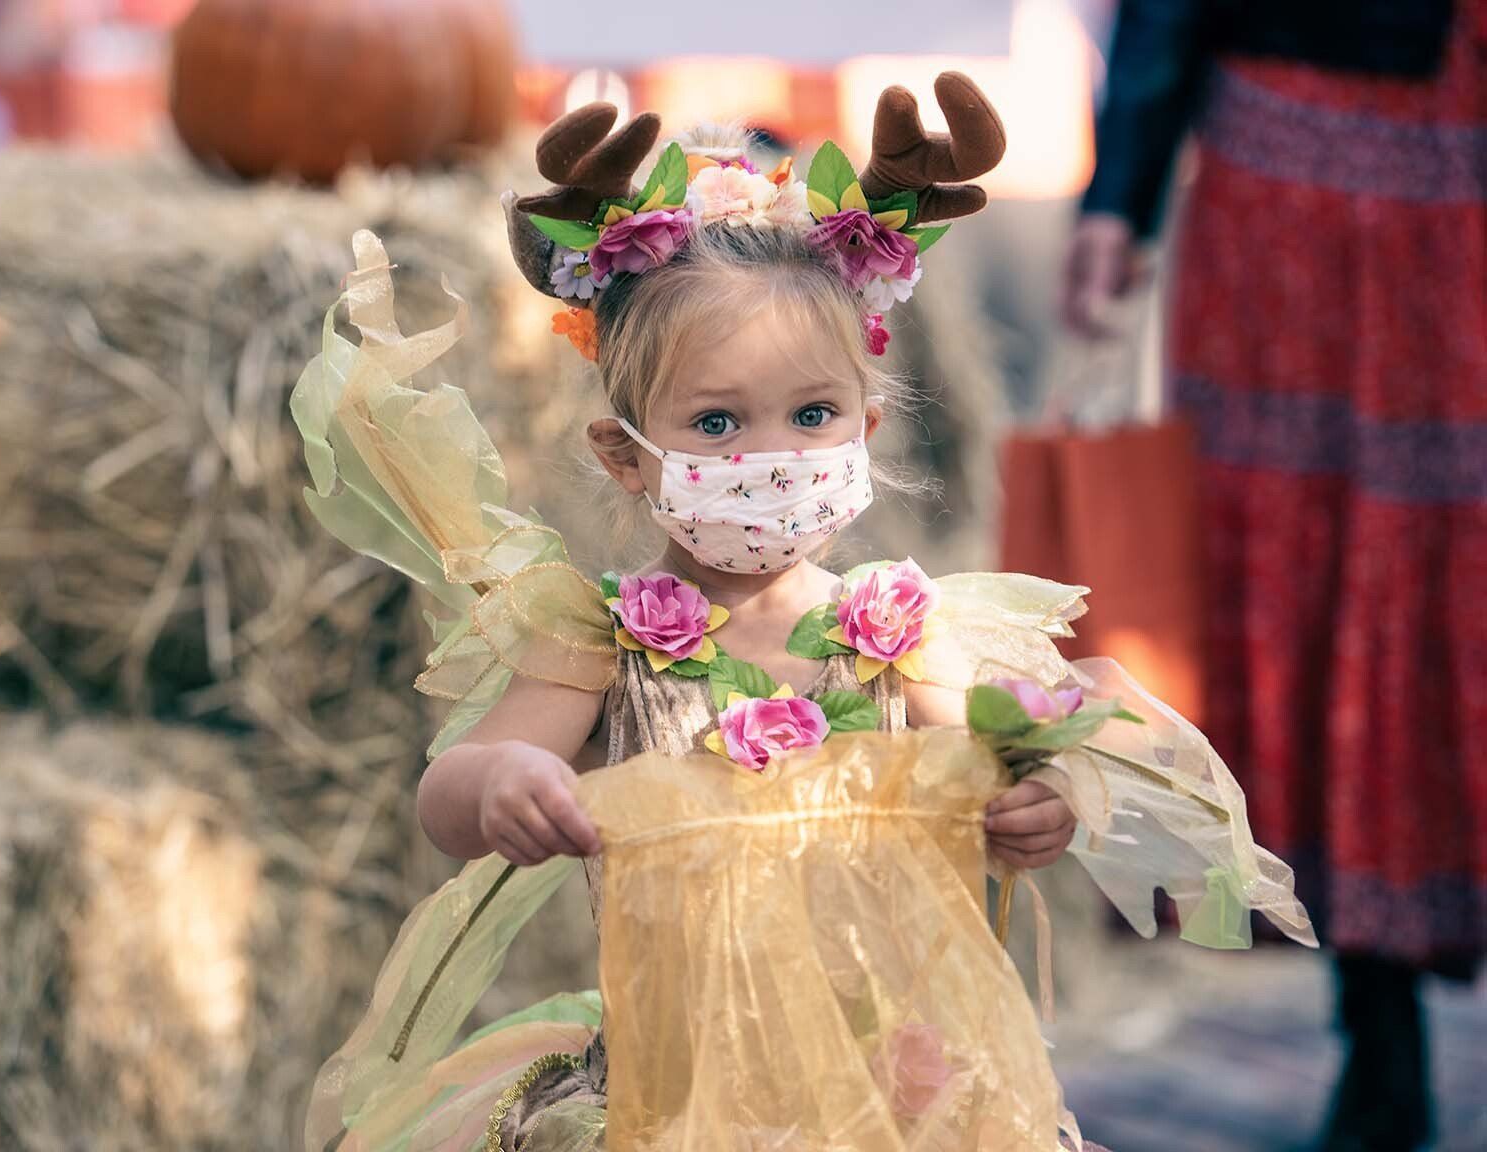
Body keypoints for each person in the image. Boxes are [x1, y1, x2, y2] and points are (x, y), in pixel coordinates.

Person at [296, 73, 1312, 1152]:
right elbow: (447, 797)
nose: (773, 457)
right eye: (719, 422)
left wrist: (1035, 809)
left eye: (812, 415)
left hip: (889, 1090)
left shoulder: (899, 636)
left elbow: (1006, 776)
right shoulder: (602, 641)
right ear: (624, 457)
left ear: (867, 426)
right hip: (672, 1089)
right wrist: (500, 783)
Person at [1065, 3, 1484, 1149]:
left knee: (1438, 571)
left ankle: (1384, 1045)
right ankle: (1378, 1032)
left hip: (1450, 165)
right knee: (1300, 585)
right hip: (1266, 180)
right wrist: (1118, 196)